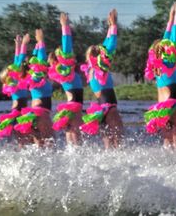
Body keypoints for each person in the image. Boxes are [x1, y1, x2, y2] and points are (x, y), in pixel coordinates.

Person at [144, 0, 176, 148]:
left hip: (160, 108)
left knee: (167, 142)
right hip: (173, 104)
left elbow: (166, 38)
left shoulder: (156, 69)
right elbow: (175, 38)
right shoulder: (169, 65)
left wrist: (171, 17)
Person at [80, 9, 123, 149]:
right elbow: (110, 47)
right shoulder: (100, 69)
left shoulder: (91, 70)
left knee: (108, 146)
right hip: (110, 107)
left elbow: (105, 47)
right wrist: (114, 26)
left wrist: (110, 27)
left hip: (101, 109)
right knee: (118, 143)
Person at [14, 29, 55, 147]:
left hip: (35, 112)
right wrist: (41, 41)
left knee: (39, 146)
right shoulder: (36, 78)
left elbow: (22, 62)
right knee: (50, 146)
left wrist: (24, 46)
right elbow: (40, 60)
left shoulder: (31, 77)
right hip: (42, 112)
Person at [48, 13, 83, 145]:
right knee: (76, 139)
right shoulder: (66, 70)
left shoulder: (64, 74)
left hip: (70, 104)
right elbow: (67, 45)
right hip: (74, 105)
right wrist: (65, 26)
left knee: (71, 138)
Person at [0, 34, 30, 138]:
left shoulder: (16, 80)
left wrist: (18, 45)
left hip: (20, 110)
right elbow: (19, 61)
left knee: (21, 137)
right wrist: (24, 45)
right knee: (21, 137)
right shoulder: (14, 81)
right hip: (18, 111)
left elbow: (17, 60)